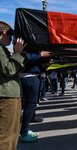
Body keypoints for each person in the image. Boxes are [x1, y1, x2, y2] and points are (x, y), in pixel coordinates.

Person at [0, 21, 27, 150]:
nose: (11, 39)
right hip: (7, 97)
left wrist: (20, 53)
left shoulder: (3, 49)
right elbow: (9, 69)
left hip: (8, 95)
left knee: (10, 133)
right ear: (4, 32)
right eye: (10, 35)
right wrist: (17, 53)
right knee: (8, 135)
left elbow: (16, 69)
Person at [19, 51, 52, 143]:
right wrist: (40, 55)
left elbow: (35, 65)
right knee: (30, 105)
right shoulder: (27, 47)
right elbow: (26, 58)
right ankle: (24, 133)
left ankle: (25, 129)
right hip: (29, 77)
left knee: (29, 106)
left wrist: (46, 65)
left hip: (31, 77)